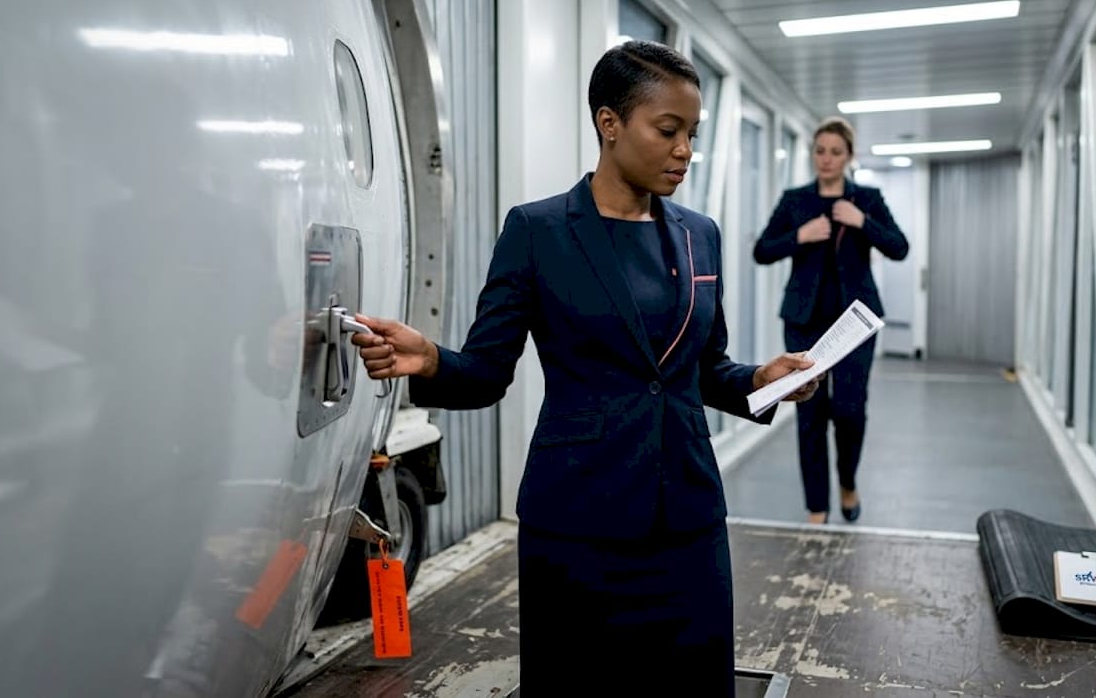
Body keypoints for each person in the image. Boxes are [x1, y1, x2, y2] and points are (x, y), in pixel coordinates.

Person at [348, 40, 818, 697]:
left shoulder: (699, 234)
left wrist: (761, 380)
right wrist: (426, 360)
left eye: (692, 134)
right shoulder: (538, 231)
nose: (685, 150)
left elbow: (705, 370)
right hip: (577, 526)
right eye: (668, 130)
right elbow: (486, 372)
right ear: (609, 123)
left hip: (686, 523)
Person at [753, 116, 908, 525]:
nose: (826, 159)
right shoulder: (795, 200)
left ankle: (848, 483)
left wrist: (863, 223)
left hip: (856, 325)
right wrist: (799, 236)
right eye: (820, 151)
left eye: (835, 152)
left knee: (850, 410)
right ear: (813, 154)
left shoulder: (867, 199)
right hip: (804, 321)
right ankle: (816, 508)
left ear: (849, 156)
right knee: (809, 415)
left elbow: (900, 248)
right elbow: (762, 250)